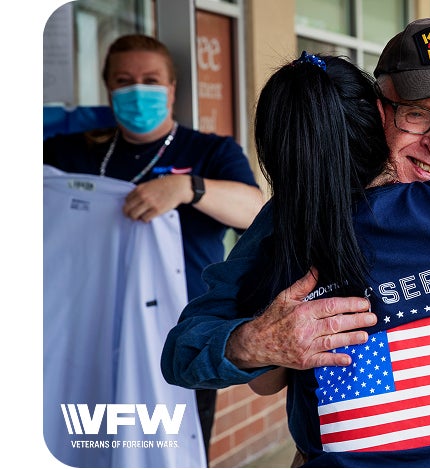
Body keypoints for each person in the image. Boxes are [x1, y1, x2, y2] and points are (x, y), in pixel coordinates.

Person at [162, 17, 430, 467]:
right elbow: (186, 349)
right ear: (380, 113)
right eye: (417, 114)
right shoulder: (302, 213)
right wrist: (256, 343)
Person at [43, 33, 264, 464]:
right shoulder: (70, 153)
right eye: (124, 80)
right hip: (85, 329)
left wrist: (187, 187)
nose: (137, 89)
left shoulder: (209, 151)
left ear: (172, 88)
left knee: (167, 447)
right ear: (108, 88)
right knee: (87, 441)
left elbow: (254, 210)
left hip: (181, 334)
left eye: (150, 79)